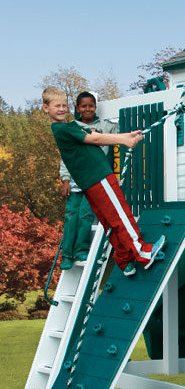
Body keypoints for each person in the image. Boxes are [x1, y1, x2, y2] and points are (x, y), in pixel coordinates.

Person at [43, 87, 165, 276]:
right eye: (56, 106)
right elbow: (96, 138)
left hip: (90, 181)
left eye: (64, 105)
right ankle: (144, 253)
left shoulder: (69, 127)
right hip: (98, 176)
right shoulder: (64, 128)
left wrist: (126, 135)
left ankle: (125, 260)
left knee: (110, 221)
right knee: (121, 215)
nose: (61, 109)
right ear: (46, 108)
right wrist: (125, 141)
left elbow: (98, 137)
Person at [59, 91, 118, 270]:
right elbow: (65, 155)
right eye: (83, 106)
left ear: (95, 107)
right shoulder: (72, 128)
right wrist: (65, 180)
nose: (87, 109)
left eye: (90, 106)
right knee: (71, 216)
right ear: (77, 108)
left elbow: (120, 131)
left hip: (93, 179)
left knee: (86, 215)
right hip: (76, 179)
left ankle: (81, 251)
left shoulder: (104, 126)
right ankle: (67, 255)